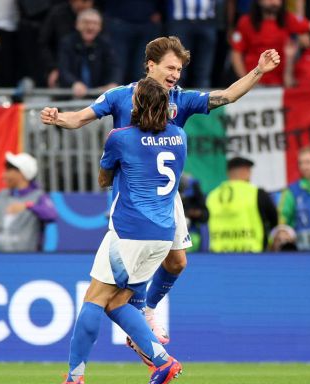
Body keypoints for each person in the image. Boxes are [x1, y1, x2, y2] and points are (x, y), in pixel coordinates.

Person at [41, 36, 280, 342]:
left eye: (179, 70)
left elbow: (227, 96)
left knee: (178, 262)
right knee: (120, 283)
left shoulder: (182, 99)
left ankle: (146, 310)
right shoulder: (119, 96)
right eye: (170, 68)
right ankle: (139, 331)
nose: (175, 75)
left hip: (166, 197)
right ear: (150, 65)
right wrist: (58, 117)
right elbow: (80, 118)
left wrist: (258, 70)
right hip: (132, 201)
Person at [49, 77, 185, 384]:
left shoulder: (120, 137)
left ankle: (74, 380)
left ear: (137, 105)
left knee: (95, 298)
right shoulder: (180, 136)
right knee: (118, 302)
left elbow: (103, 178)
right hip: (163, 235)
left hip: (129, 231)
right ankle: (162, 361)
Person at [231, 0, 310, 87]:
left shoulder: (288, 19)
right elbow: (236, 54)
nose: (274, 2)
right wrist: (245, 82)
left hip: (281, 83)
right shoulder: (245, 22)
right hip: (254, 83)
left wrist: (305, 33)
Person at [206, 157, 278, 253]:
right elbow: (274, 220)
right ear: (245, 171)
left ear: (228, 173)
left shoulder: (212, 196)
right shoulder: (257, 193)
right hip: (251, 253)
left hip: (218, 253)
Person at [57, 8, 118, 98]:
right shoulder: (67, 43)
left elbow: (115, 67)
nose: (90, 27)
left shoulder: (106, 44)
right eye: (86, 22)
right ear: (77, 25)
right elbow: (63, 69)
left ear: (100, 27)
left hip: (98, 96)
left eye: (95, 23)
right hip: (71, 95)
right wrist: (74, 83)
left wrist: (112, 83)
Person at [39, 0, 94, 88]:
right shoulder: (57, 14)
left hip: (89, 71)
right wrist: (53, 68)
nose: (86, 4)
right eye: (83, 1)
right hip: (61, 68)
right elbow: (44, 44)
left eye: (89, 1)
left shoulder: (94, 16)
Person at [178, 173, 208, 252]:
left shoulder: (193, 186)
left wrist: (193, 213)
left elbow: (205, 215)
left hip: (190, 233)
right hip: (167, 235)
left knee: (193, 241)